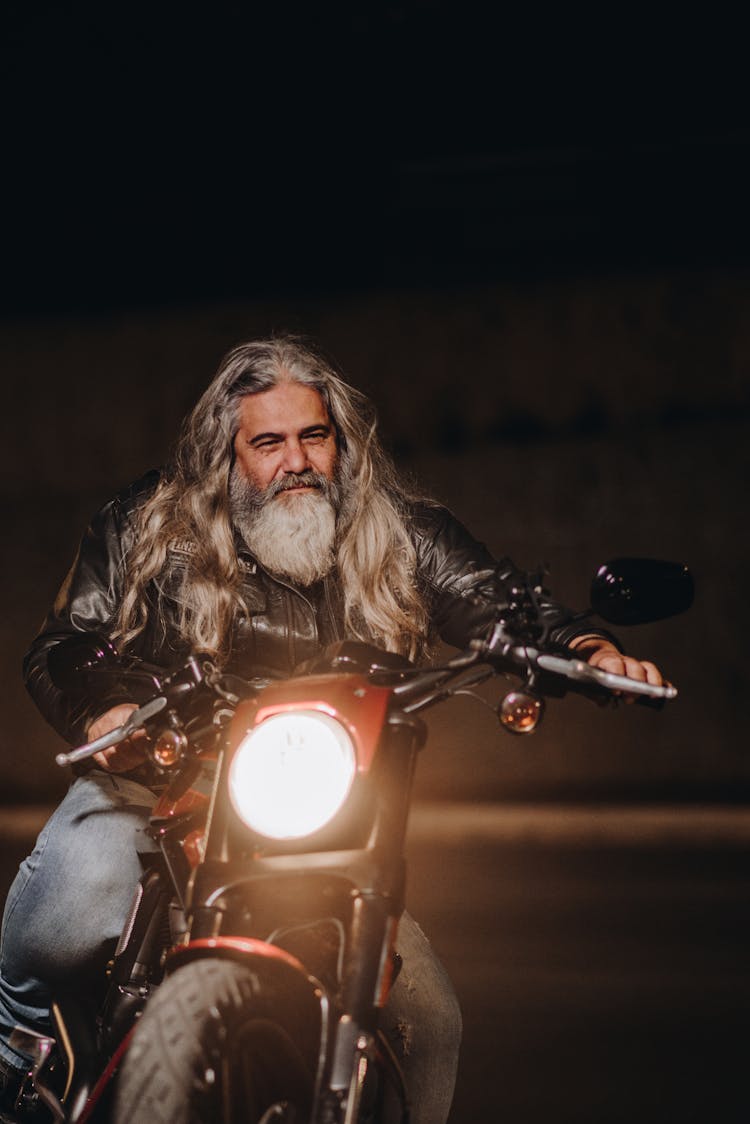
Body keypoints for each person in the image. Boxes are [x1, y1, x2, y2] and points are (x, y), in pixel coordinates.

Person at [0, 336, 665, 1122]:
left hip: (324, 814)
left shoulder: (398, 532)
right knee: (73, 898)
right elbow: (69, 642)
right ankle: (21, 1063)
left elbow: (493, 599)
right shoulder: (150, 527)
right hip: (165, 783)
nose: (297, 461)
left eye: (314, 436)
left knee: (431, 1022)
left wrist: (584, 648)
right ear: (227, 454)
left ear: (341, 442)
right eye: (269, 442)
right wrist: (109, 704)